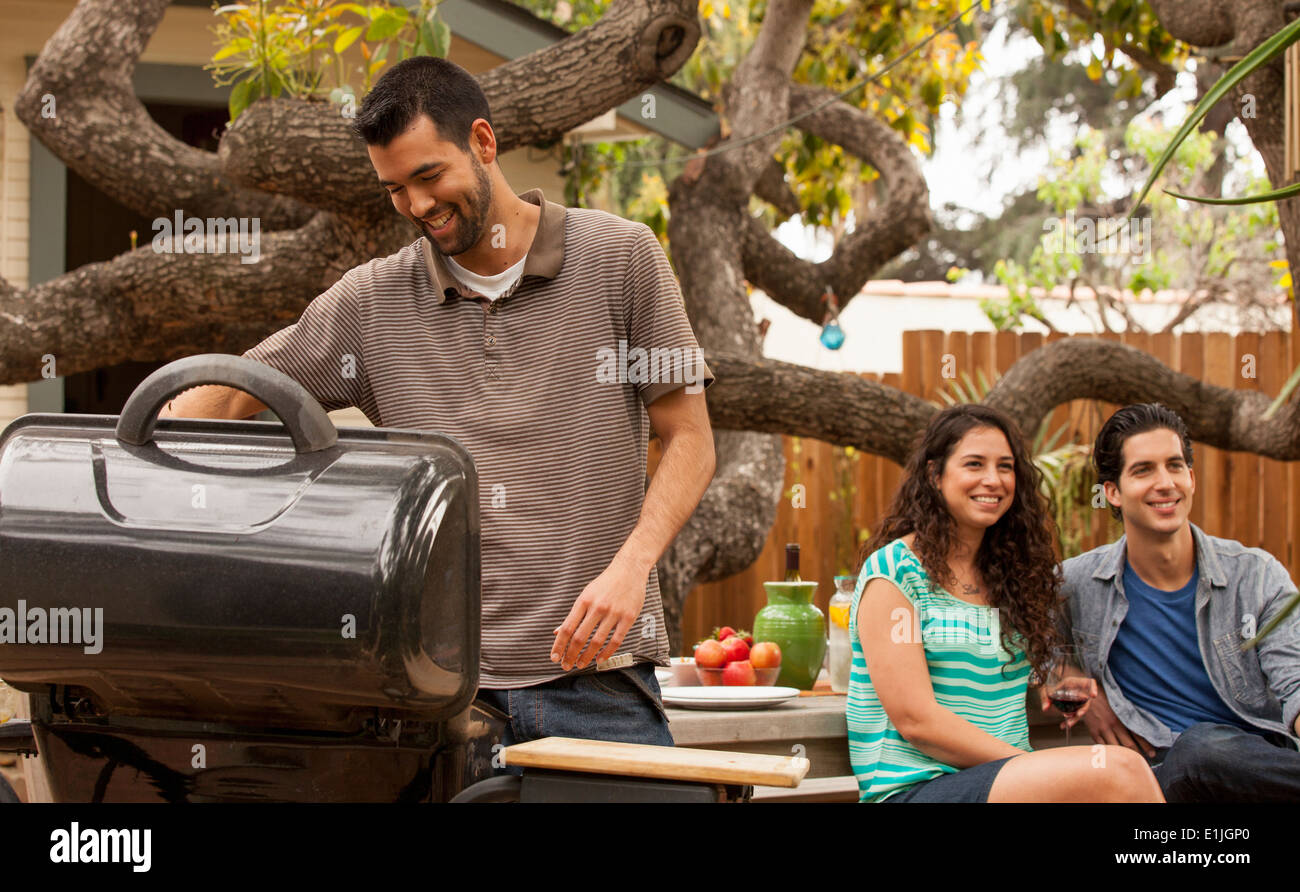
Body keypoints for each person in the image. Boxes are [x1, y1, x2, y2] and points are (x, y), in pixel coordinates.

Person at [164, 57, 716, 751]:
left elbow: (690, 438)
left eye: (429, 177)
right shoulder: (372, 302)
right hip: (436, 699)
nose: (417, 206)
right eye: (395, 189)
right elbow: (239, 389)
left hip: (597, 683)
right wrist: (154, 461)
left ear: (483, 143)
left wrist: (632, 565)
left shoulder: (621, 258)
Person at [849, 404, 1163, 802]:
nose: (993, 480)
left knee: (1118, 772)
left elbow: (1000, 673)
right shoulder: (895, 572)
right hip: (915, 789)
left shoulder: (1010, 575)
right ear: (935, 474)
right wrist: (1029, 766)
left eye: (1005, 466)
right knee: (1118, 770)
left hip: (1000, 780)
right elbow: (917, 721)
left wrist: (1055, 677)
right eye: (974, 464)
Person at [1061, 403, 1300, 801]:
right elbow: (1030, 642)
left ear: (1191, 478)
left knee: (1204, 748)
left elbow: (1296, 681)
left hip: (1259, 774)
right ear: (1112, 493)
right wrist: (1077, 688)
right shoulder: (1077, 583)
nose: (1165, 482)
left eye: (1174, 466)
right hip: (1159, 776)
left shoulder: (1256, 576)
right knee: (1194, 750)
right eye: (1143, 470)